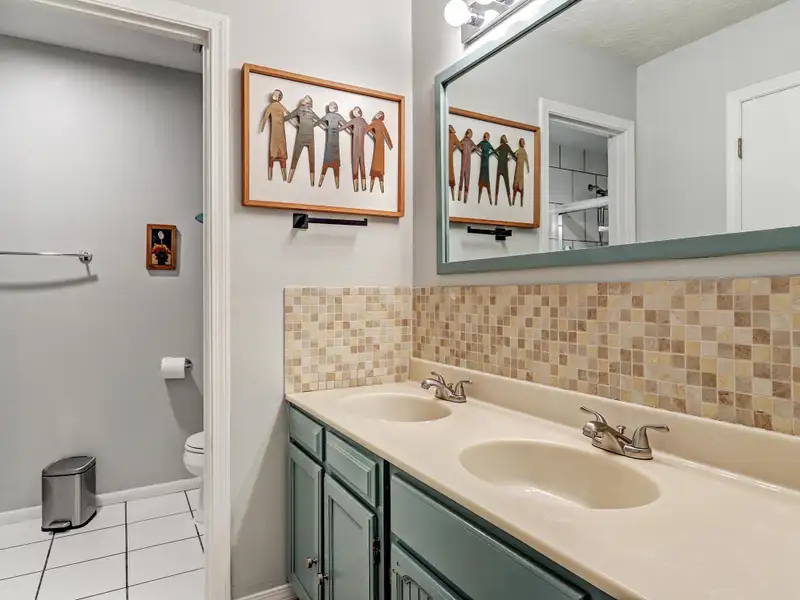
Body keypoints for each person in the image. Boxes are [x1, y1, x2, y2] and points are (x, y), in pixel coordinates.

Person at [284, 95, 320, 186]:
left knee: (307, 157)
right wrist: (297, 124)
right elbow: (288, 117)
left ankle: (311, 180)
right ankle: (291, 178)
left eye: (307, 100)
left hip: (306, 135)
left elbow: (287, 117)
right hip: (305, 135)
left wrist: (298, 124)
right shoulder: (302, 110)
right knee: (298, 157)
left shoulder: (306, 110)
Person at [313, 101, 347, 189]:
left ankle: (337, 182)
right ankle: (321, 181)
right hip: (330, 138)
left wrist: (339, 129)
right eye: (330, 106)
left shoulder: (338, 116)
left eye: (333, 106)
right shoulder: (327, 116)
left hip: (335, 139)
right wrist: (326, 127)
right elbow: (319, 122)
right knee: (327, 155)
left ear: (336, 108)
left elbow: (346, 124)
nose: (331, 108)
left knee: (335, 156)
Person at [337, 106, 370, 192]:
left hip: (355, 147)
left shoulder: (354, 120)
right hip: (360, 147)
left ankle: (356, 187)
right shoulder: (363, 121)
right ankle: (363, 186)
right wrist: (363, 132)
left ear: (358, 112)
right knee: (362, 164)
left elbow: (344, 126)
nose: (353, 113)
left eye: (355, 112)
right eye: (353, 112)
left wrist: (336, 130)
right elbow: (369, 128)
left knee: (355, 164)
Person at [258, 89, 288, 181]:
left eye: (276, 94)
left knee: (277, 149)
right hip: (277, 131)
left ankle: (282, 175)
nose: (273, 95)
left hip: (279, 131)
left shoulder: (275, 106)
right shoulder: (275, 106)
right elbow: (265, 117)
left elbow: (289, 115)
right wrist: (262, 127)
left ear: (279, 97)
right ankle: (273, 174)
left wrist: (296, 123)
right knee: (276, 149)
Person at [366, 111, 394, 193]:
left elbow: (386, 134)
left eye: (379, 115)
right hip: (379, 143)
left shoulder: (378, 123)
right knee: (378, 159)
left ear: (381, 117)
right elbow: (367, 129)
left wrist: (390, 144)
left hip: (380, 143)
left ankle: (377, 183)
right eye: (378, 114)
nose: (377, 115)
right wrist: (373, 135)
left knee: (378, 159)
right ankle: (377, 180)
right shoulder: (376, 123)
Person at [494, 134, 517, 206]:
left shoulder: (502, 146)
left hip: (500, 165)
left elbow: (494, 151)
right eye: (505, 138)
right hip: (504, 166)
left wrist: (499, 157)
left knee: (498, 183)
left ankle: (496, 201)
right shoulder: (507, 146)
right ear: (503, 139)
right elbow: (512, 154)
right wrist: (516, 159)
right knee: (507, 184)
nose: (506, 139)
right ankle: (509, 201)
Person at [458, 129, 478, 203]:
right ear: (468, 134)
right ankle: (461, 195)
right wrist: (464, 150)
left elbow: (476, 148)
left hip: (466, 161)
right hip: (466, 161)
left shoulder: (469, 141)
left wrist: (467, 151)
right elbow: (476, 148)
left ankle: (464, 197)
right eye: (471, 134)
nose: (471, 135)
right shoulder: (467, 141)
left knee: (465, 176)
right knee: (464, 176)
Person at [476, 132, 496, 204]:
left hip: (486, 162)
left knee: (486, 176)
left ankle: (490, 198)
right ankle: (479, 198)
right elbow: (475, 147)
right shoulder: (482, 143)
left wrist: (488, 154)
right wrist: (479, 152)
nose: (486, 137)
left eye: (487, 136)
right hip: (483, 162)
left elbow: (494, 151)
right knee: (482, 175)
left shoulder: (488, 144)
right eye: (485, 136)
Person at [513, 138, 530, 207]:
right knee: (516, 178)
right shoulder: (519, 150)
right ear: (520, 143)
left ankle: (521, 202)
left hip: (522, 169)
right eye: (521, 142)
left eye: (523, 142)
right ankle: (514, 195)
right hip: (518, 167)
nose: (522, 143)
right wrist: (516, 160)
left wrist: (528, 168)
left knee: (521, 179)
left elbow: (526, 160)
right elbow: (514, 154)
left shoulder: (524, 151)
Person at [448, 125, 462, 201]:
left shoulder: (452, 136)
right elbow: (460, 146)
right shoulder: (452, 136)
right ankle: (452, 195)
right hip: (448, 157)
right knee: (450, 171)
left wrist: (454, 148)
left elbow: (460, 146)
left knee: (450, 171)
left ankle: (453, 196)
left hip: (448, 156)